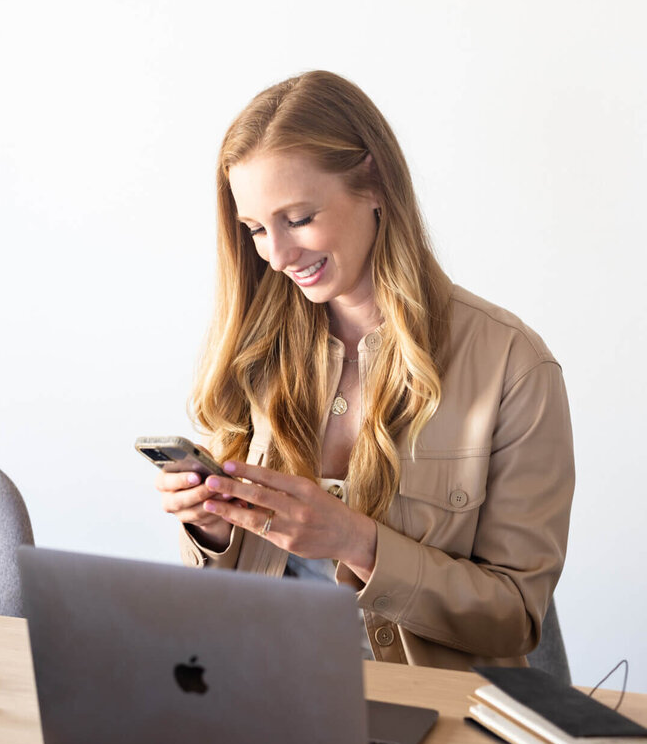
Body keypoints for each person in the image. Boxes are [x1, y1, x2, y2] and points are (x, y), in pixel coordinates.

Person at [156, 70, 574, 671]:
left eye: (298, 219)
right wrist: (212, 528)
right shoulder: (256, 350)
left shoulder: (516, 367)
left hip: (428, 711)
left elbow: (515, 617)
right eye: (254, 230)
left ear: (374, 185)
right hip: (259, 680)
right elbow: (230, 583)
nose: (276, 255)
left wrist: (357, 541)